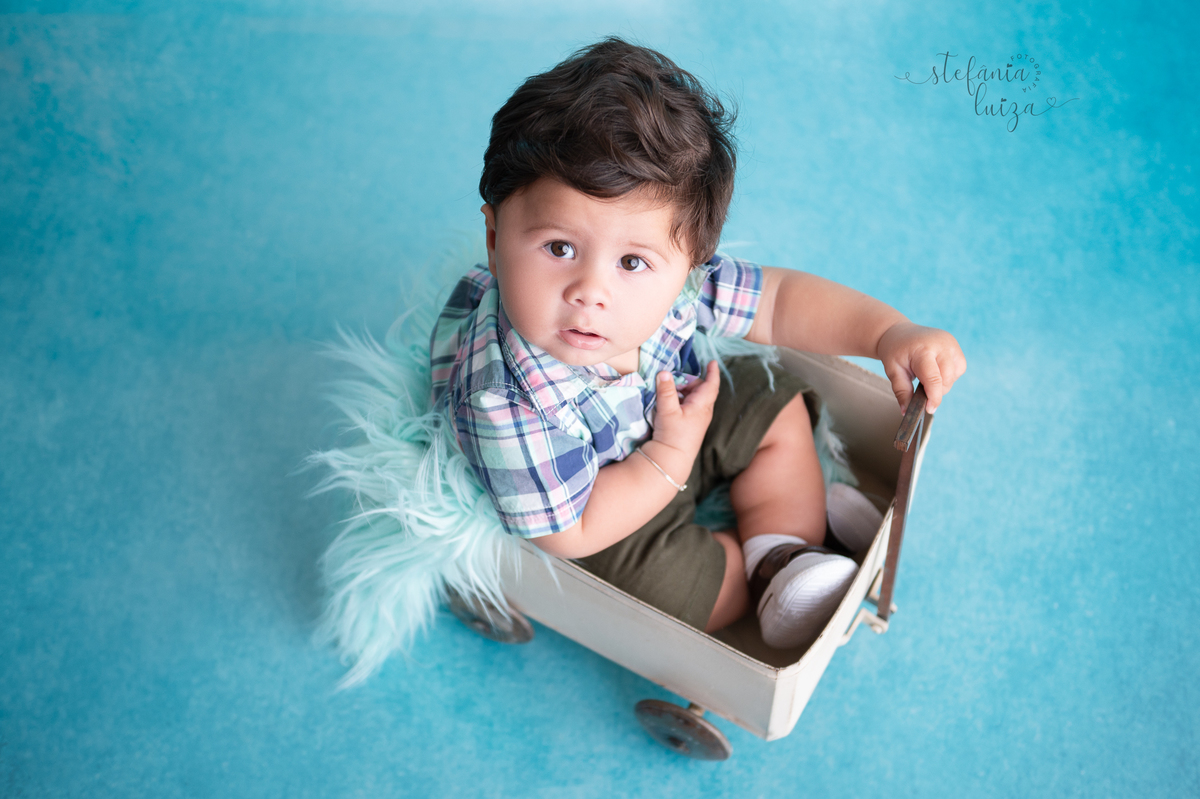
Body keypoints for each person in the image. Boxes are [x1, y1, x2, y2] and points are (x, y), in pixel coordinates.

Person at [429, 37, 965, 649]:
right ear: (494, 236)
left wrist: (887, 331)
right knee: (686, 594)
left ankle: (785, 550)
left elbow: (777, 301)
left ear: (690, 264)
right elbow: (568, 532)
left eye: (632, 262)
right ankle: (760, 573)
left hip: (673, 411)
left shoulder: (678, 285)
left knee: (774, 404)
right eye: (559, 248)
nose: (591, 292)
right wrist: (668, 458)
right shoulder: (500, 400)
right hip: (598, 502)